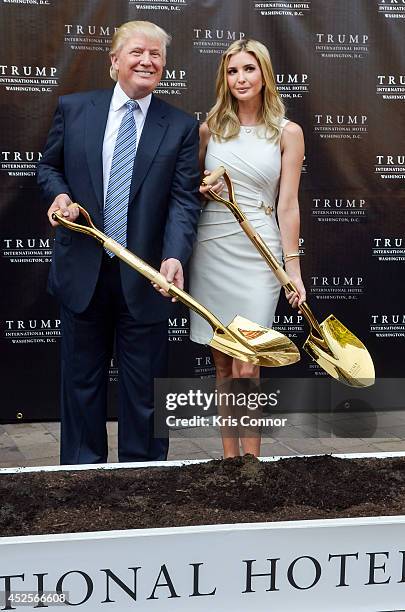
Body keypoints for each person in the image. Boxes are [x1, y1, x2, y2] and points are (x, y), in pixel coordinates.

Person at [37, 21, 200, 464]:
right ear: (114, 61)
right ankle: (82, 481)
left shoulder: (181, 126)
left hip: (146, 278)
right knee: (80, 386)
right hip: (82, 272)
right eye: (137, 52)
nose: (147, 61)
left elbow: (184, 202)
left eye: (156, 55)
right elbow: (49, 167)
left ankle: (144, 482)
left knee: (146, 390)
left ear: (165, 66)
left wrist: (173, 256)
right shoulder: (74, 110)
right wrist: (60, 196)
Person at [189, 39, 306, 458]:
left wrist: (292, 269)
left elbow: (287, 204)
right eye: (232, 71)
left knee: (249, 359)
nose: (240, 78)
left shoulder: (287, 133)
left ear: (264, 75)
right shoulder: (208, 130)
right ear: (225, 77)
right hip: (213, 246)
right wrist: (202, 190)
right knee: (222, 362)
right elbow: (190, 192)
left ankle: (253, 462)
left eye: (248, 70)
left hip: (260, 252)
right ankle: (228, 460)